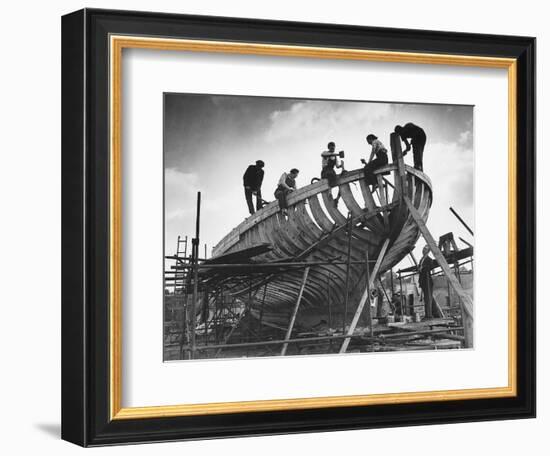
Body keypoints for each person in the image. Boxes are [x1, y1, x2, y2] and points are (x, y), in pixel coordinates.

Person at [418, 245, 441, 320]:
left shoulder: (429, 259)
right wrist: (419, 268)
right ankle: (431, 313)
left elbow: (430, 267)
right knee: (426, 298)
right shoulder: (422, 259)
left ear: (427, 251)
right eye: (423, 249)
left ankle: (429, 315)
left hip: (427, 280)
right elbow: (419, 267)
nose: (423, 250)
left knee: (428, 298)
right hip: (423, 280)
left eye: (425, 249)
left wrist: (422, 268)